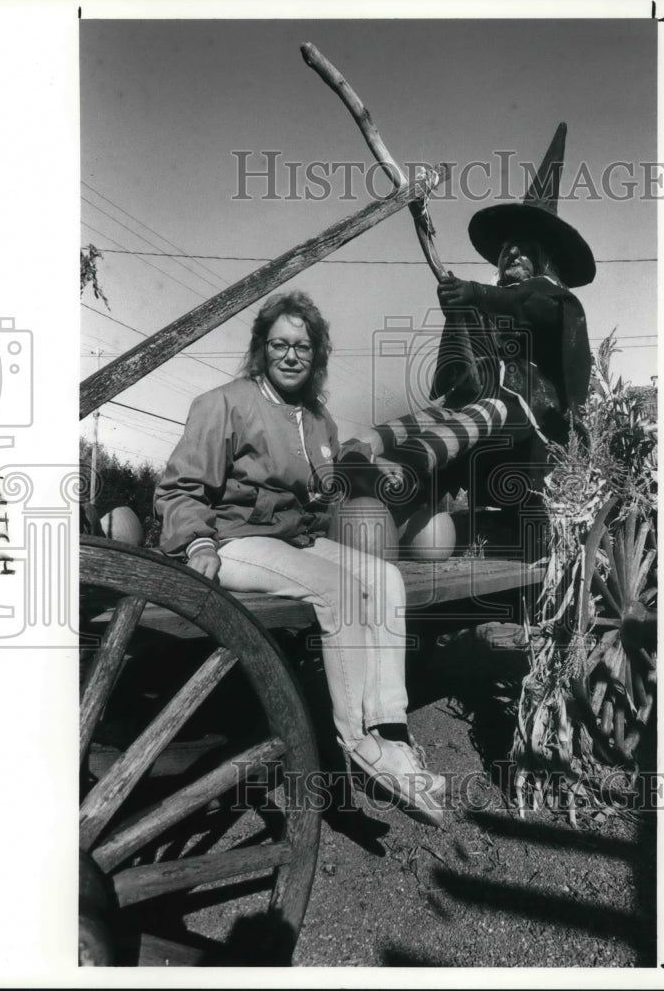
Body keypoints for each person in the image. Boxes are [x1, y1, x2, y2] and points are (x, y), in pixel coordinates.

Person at [154, 290, 446, 828]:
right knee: (335, 590)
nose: (291, 356)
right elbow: (179, 490)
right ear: (262, 350)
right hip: (231, 542)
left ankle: (389, 730)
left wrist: (362, 475)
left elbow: (321, 495)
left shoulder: (318, 421)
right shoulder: (223, 404)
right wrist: (196, 544)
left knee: (384, 579)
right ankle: (357, 740)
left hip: (292, 542)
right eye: (280, 345)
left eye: (302, 347)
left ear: (316, 356)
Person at [341, 122, 594, 536]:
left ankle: (409, 466)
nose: (510, 251)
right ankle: (359, 450)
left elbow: (528, 303)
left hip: (534, 416)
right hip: (480, 402)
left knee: (487, 410)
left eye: (523, 246)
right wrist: (456, 311)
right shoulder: (490, 301)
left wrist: (473, 293)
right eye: (507, 246)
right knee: (439, 412)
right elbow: (467, 362)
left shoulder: (553, 299)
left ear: (541, 256)